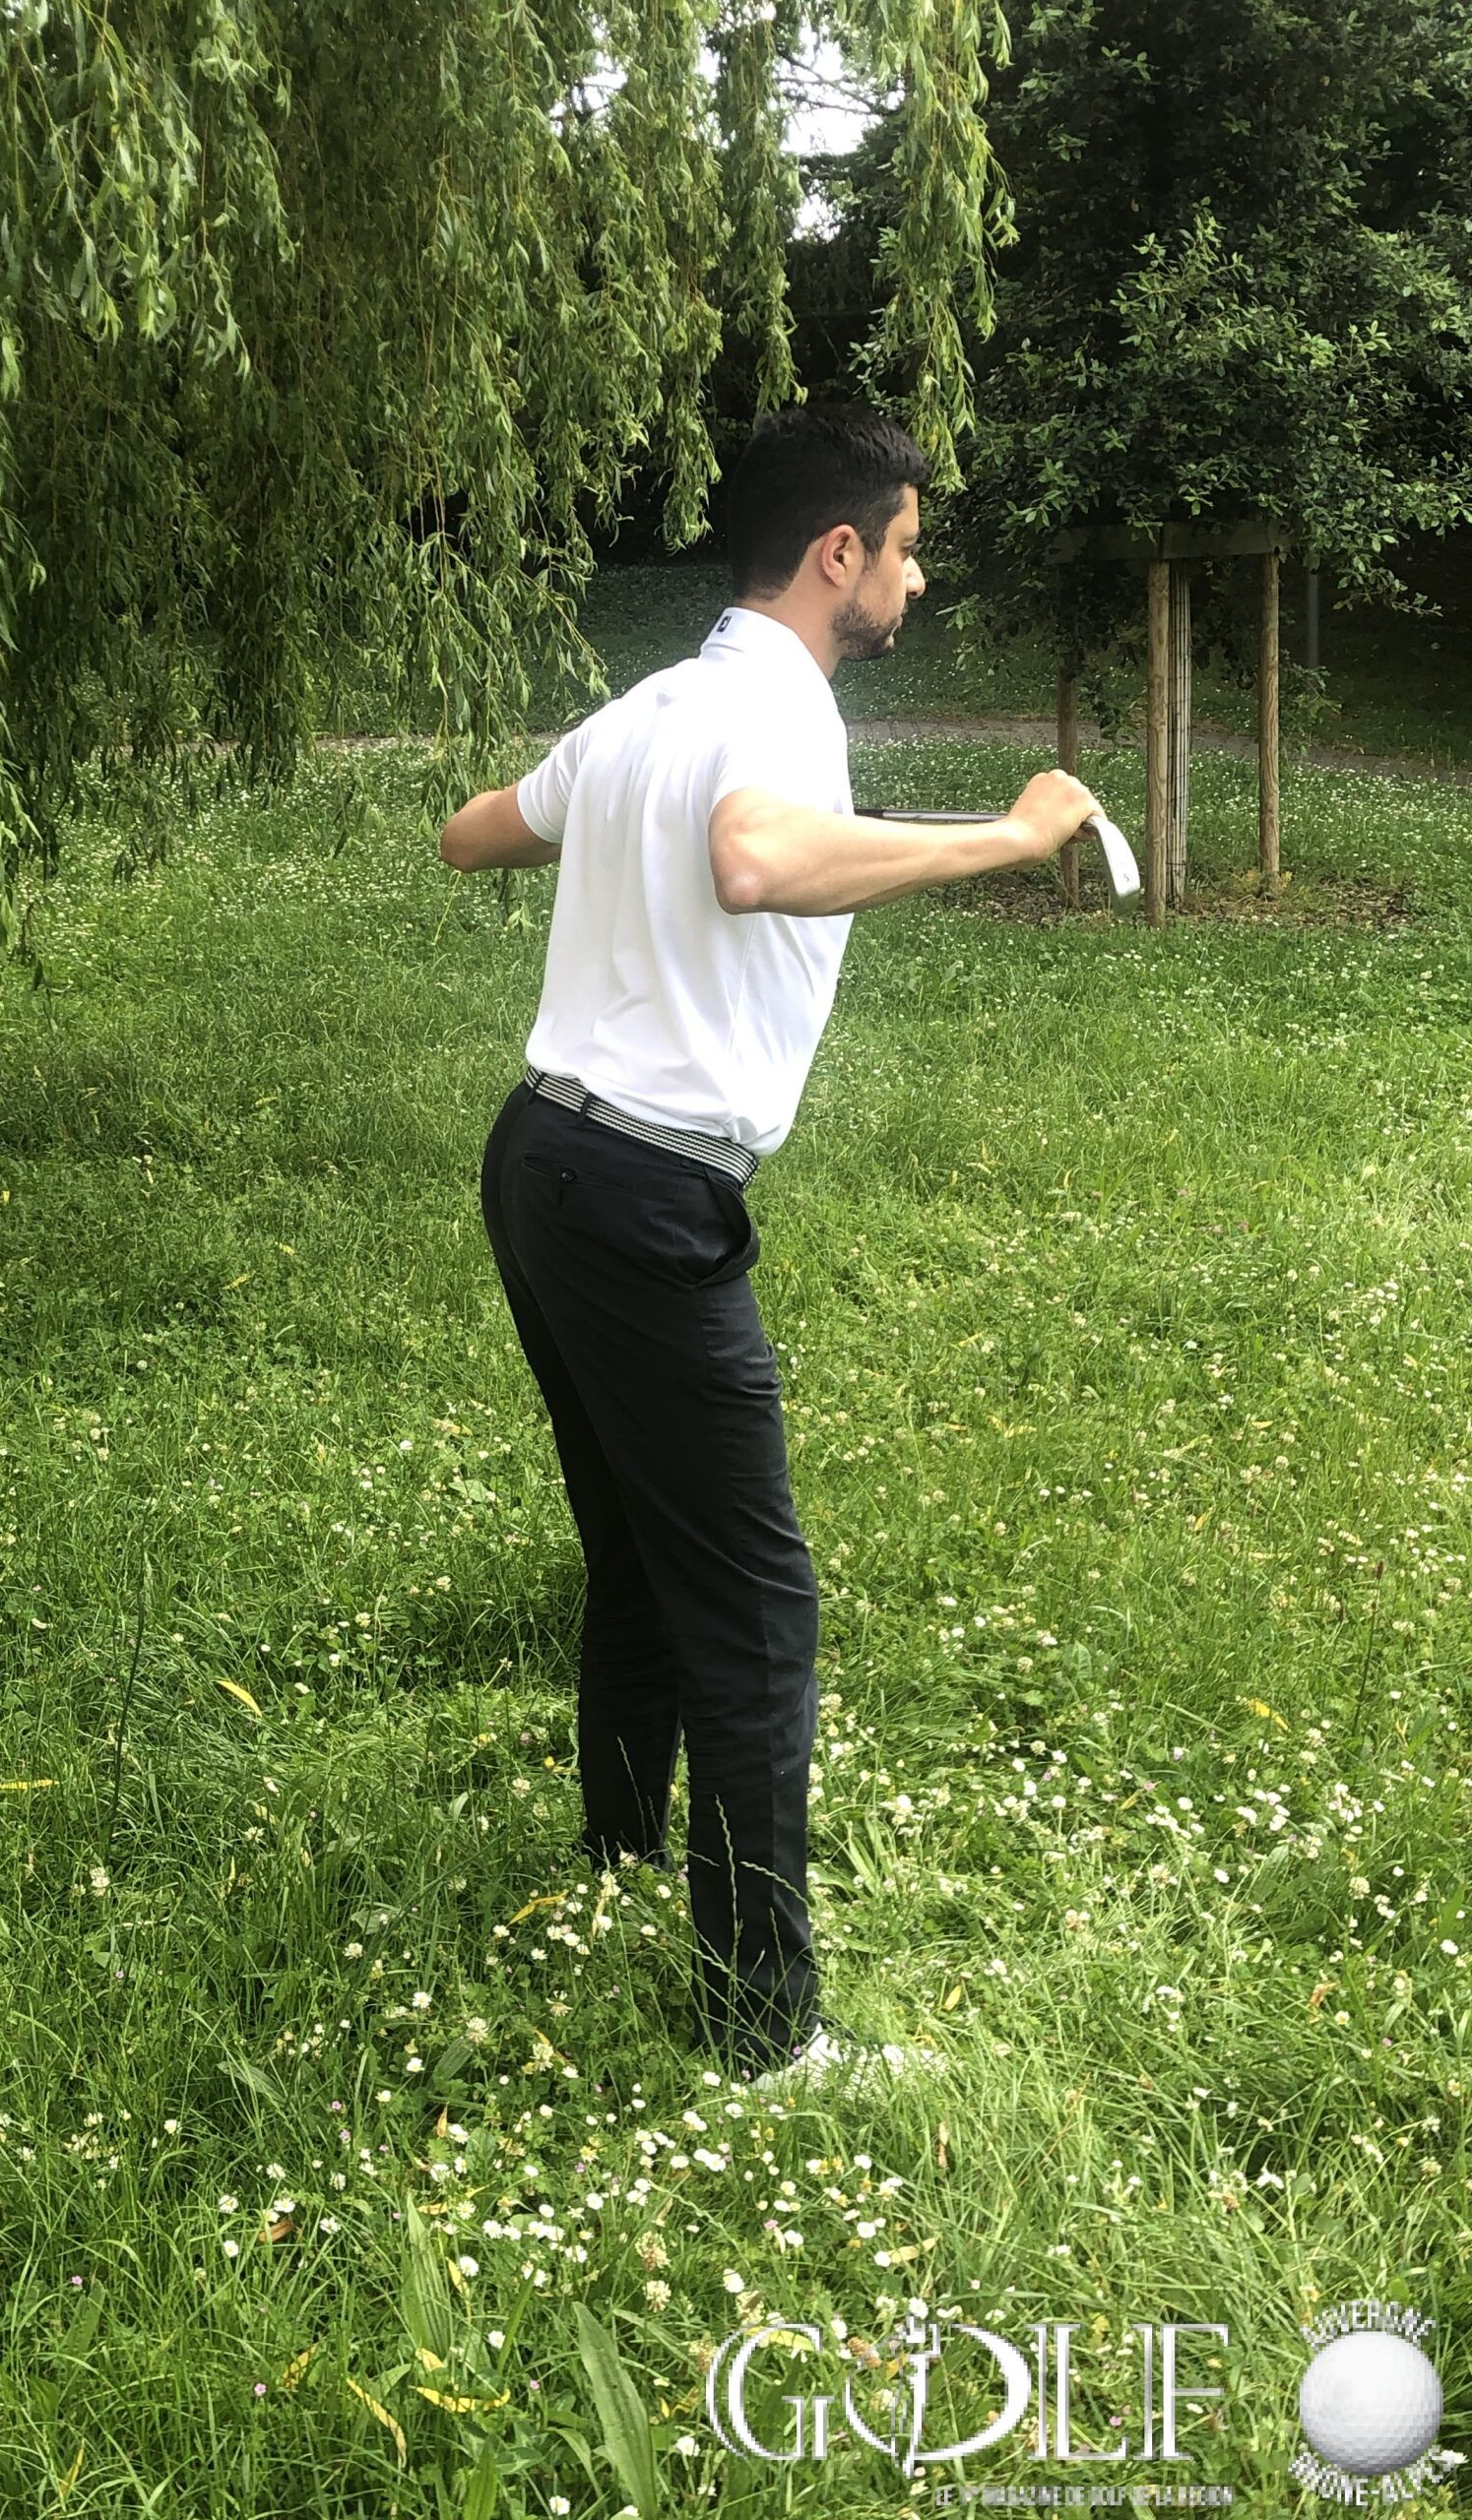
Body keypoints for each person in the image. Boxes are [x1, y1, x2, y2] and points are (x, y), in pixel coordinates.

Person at [438, 402, 1102, 2092]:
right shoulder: (780, 709)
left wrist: (604, 819)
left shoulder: (660, 704)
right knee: (754, 1608)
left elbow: (472, 829)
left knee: (635, 1543)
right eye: (908, 548)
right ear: (837, 554)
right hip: (640, 1192)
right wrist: (1009, 838)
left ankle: (619, 1857)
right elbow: (753, 858)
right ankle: (763, 2033)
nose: (919, 579)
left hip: (542, 1157)